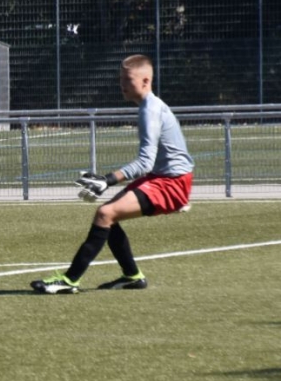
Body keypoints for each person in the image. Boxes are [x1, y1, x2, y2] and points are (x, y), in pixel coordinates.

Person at [31, 54, 194, 294]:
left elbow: (145, 163)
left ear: (145, 81)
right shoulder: (150, 106)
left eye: (128, 79)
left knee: (105, 214)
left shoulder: (150, 110)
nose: (122, 85)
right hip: (165, 178)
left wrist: (108, 179)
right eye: (121, 79)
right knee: (108, 216)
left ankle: (69, 280)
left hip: (171, 182)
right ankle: (132, 277)